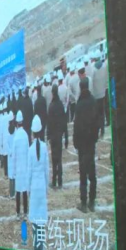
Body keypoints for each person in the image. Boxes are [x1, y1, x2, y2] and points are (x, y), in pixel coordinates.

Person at [74, 77, 101, 212]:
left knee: (83, 174)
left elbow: (76, 125)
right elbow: (97, 123)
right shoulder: (93, 101)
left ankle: (84, 203)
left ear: (80, 87)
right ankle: (92, 202)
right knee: (92, 173)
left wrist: (76, 142)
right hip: (90, 143)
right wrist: (94, 138)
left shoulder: (79, 104)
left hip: (82, 144)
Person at [28, 116, 49, 250]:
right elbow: (47, 170)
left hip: (34, 187)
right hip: (41, 185)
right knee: (41, 218)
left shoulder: (30, 149)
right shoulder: (44, 147)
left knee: (35, 219)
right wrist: (46, 186)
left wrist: (29, 189)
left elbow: (29, 172)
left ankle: (36, 246)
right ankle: (40, 247)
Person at [10, 111, 30, 220]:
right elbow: (28, 151)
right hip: (25, 166)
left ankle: (18, 213)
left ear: (16, 123)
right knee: (25, 190)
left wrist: (13, 171)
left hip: (18, 167)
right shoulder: (25, 135)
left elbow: (13, 156)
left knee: (18, 191)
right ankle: (25, 212)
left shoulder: (16, 137)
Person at [47, 83, 68, 189]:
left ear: (52, 93)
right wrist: (66, 135)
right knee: (59, 158)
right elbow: (64, 121)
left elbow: (49, 122)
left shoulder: (51, 106)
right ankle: (60, 181)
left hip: (53, 136)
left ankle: (54, 180)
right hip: (59, 135)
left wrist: (48, 135)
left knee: (54, 159)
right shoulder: (60, 105)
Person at [92, 57, 109, 137]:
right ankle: (102, 130)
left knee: (97, 114)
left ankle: (98, 129)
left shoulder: (93, 69)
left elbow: (92, 82)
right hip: (103, 93)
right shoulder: (104, 66)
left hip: (96, 95)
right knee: (102, 113)